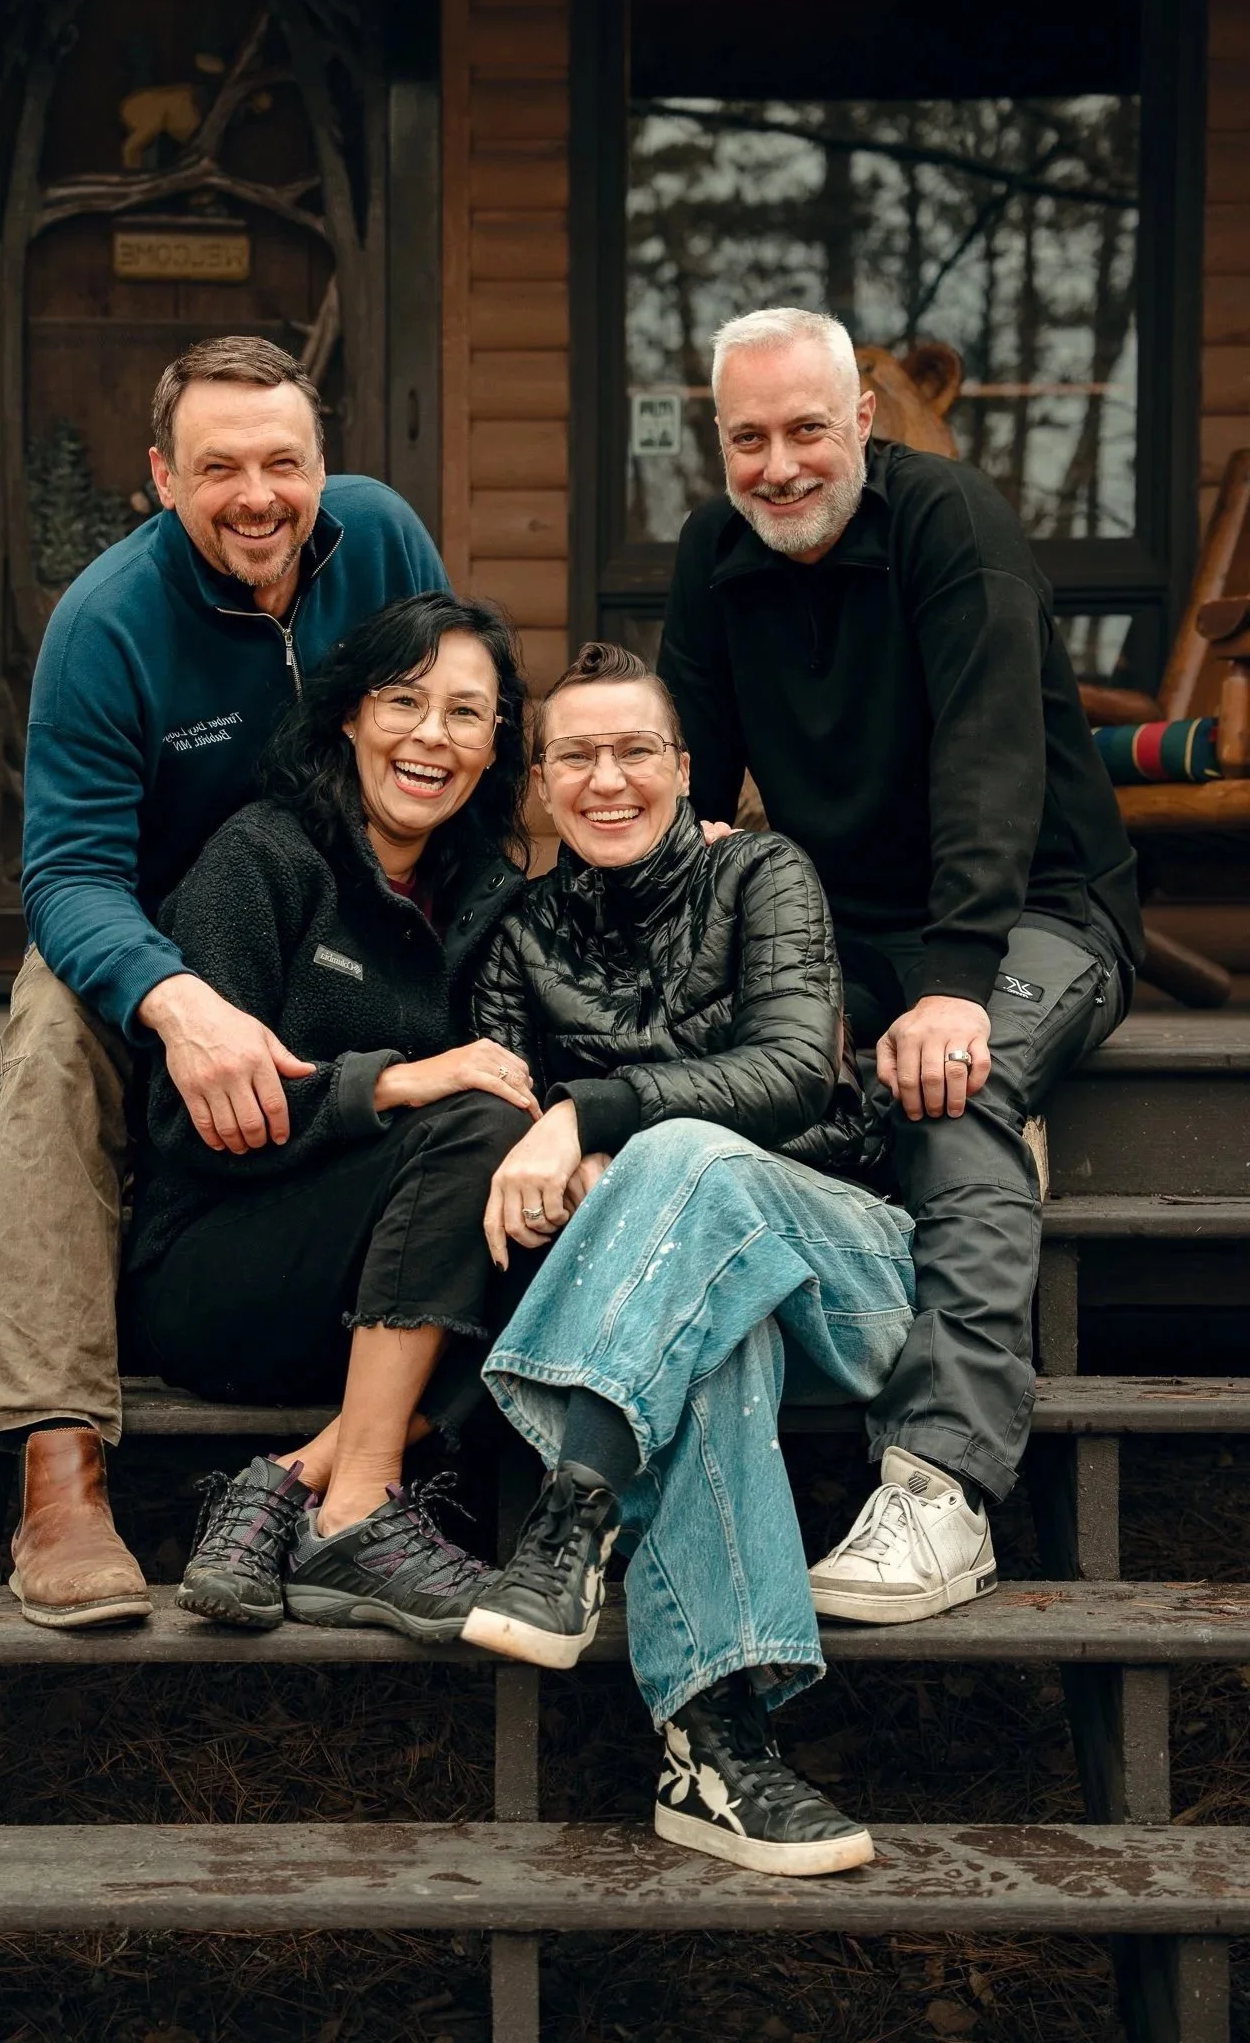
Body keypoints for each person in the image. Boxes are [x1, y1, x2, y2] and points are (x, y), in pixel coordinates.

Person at [0, 335, 448, 1630]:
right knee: (57, 1028)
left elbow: (448, 730)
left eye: (285, 462)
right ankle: (58, 1461)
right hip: (160, 947)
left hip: (335, 924)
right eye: (220, 467)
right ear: (163, 477)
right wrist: (175, 1001)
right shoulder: (106, 623)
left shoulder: (383, 545)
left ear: (325, 465)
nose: (259, 495)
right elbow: (65, 876)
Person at [656, 305, 1142, 1625]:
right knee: (751, 1083)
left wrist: (951, 988)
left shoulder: (951, 525)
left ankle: (941, 1489)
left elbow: (996, 765)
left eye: (808, 429)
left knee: (955, 1085)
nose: (780, 466)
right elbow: (687, 779)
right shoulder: (714, 552)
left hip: (1034, 903)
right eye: (748, 438)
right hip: (837, 917)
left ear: (863, 420)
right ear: (719, 441)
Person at [458, 642, 916, 1879]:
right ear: (540, 785)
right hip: (690, 1305)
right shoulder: (519, 936)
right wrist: (557, 1143)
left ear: (684, 768)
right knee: (714, 1331)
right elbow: (496, 1120)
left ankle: (577, 1508)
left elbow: (788, 1073)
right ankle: (716, 1750)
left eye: (636, 751)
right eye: (577, 758)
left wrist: (597, 1121)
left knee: (691, 1162)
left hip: (845, 1263)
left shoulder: (762, 874)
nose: (609, 779)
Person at [121, 593, 537, 1642]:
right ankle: (358, 1507)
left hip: (391, 1290)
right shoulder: (261, 860)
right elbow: (182, 1122)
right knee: (476, 1122)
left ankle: (289, 1487)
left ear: (496, 747)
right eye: (404, 701)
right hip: (219, 1273)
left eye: (466, 714)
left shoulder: (487, 895)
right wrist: (390, 1083)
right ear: (349, 715)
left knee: (568, 1213)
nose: (431, 737)